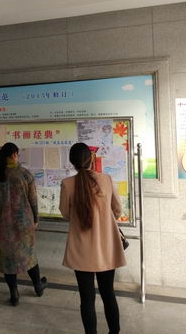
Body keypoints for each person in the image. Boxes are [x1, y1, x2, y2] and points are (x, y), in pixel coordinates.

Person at [59, 143, 126, 334]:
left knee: (87, 299)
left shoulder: (67, 184)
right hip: (106, 248)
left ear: (72, 162)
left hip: (81, 250)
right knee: (108, 294)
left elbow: (65, 213)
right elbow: (117, 210)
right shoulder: (106, 179)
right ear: (92, 159)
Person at [0, 142, 47, 306]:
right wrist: (36, 219)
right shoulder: (25, 174)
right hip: (24, 224)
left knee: (8, 260)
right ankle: (38, 286)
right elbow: (33, 200)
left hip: (3, 225)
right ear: (14, 155)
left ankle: (14, 294)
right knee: (29, 256)